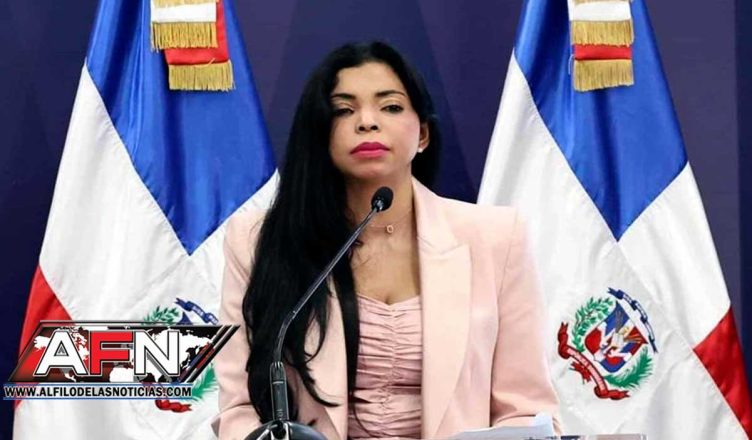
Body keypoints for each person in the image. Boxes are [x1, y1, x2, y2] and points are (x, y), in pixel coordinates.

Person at [212, 41, 561, 440]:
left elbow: (525, 409)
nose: (367, 122)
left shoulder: (497, 238)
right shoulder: (259, 242)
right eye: (343, 110)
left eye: (390, 106)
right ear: (320, 133)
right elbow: (240, 409)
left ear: (423, 134)